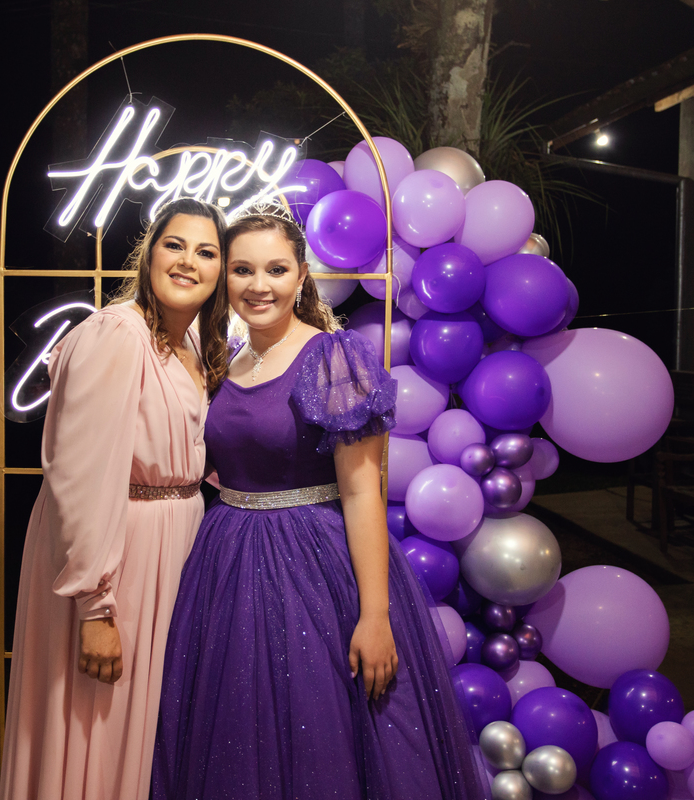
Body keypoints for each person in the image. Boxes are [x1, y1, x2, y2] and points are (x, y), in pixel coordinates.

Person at [152, 210, 489, 800]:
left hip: (311, 566)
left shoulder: (333, 357)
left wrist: (375, 616)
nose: (259, 285)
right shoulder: (227, 357)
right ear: (226, 278)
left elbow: (361, 493)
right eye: (243, 270)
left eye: (276, 270)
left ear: (302, 276)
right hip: (225, 562)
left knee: (318, 726)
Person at [0, 198, 231, 800]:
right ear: (148, 253)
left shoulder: (194, 345)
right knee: (97, 726)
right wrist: (95, 607)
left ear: (221, 270)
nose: (188, 261)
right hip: (114, 554)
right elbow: (79, 476)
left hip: (171, 549)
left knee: (145, 727)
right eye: (174, 245)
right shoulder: (117, 335)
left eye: (206, 252)